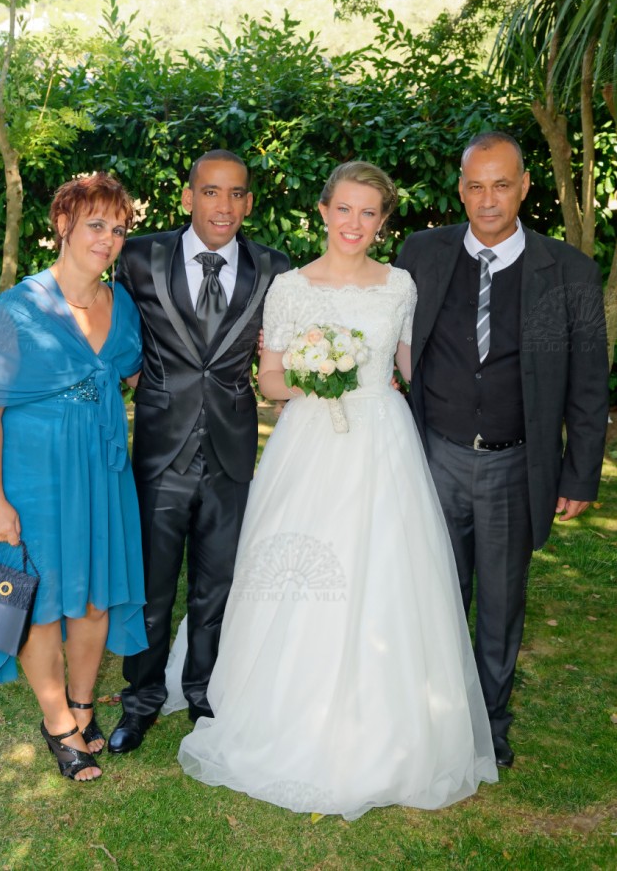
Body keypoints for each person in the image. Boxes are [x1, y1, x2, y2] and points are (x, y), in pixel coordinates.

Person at [177, 161, 498, 820]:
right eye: (344, 209)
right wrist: (321, 377)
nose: (354, 223)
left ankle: (390, 723)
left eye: (368, 213)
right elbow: (269, 380)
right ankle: (287, 709)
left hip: (384, 442)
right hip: (310, 443)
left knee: (386, 574)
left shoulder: (400, 286)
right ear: (323, 211)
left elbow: (411, 365)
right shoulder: (290, 287)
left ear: (382, 223)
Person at [395, 131, 609, 768]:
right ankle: (430, 716)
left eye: (502, 185)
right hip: (434, 456)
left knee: (501, 602)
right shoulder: (422, 254)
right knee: (433, 593)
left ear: (524, 186)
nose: (488, 199)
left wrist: (580, 475)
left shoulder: (567, 271)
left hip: (515, 463)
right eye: (475, 186)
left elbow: (588, 384)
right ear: (461, 190)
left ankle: (489, 722)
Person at [108, 149, 289, 754]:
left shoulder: (275, 268)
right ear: (189, 197)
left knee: (218, 586)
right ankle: (140, 701)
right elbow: (118, 337)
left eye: (236, 194)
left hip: (231, 454)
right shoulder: (139, 258)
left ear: (249, 203)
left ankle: (204, 692)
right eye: (211, 192)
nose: (224, 206)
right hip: (160, 455)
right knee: (151, 588)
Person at [0, 173, 148, 782]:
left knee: (96, 595)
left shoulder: (121, 305)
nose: (108, 239)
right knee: (37, 602)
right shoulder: (18, 308)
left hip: (99, 475)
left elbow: (140, 377)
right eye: (96, 224)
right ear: (64, 225)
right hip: (31, 479)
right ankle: (57, 723)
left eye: (118, 229)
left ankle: (82, 703)